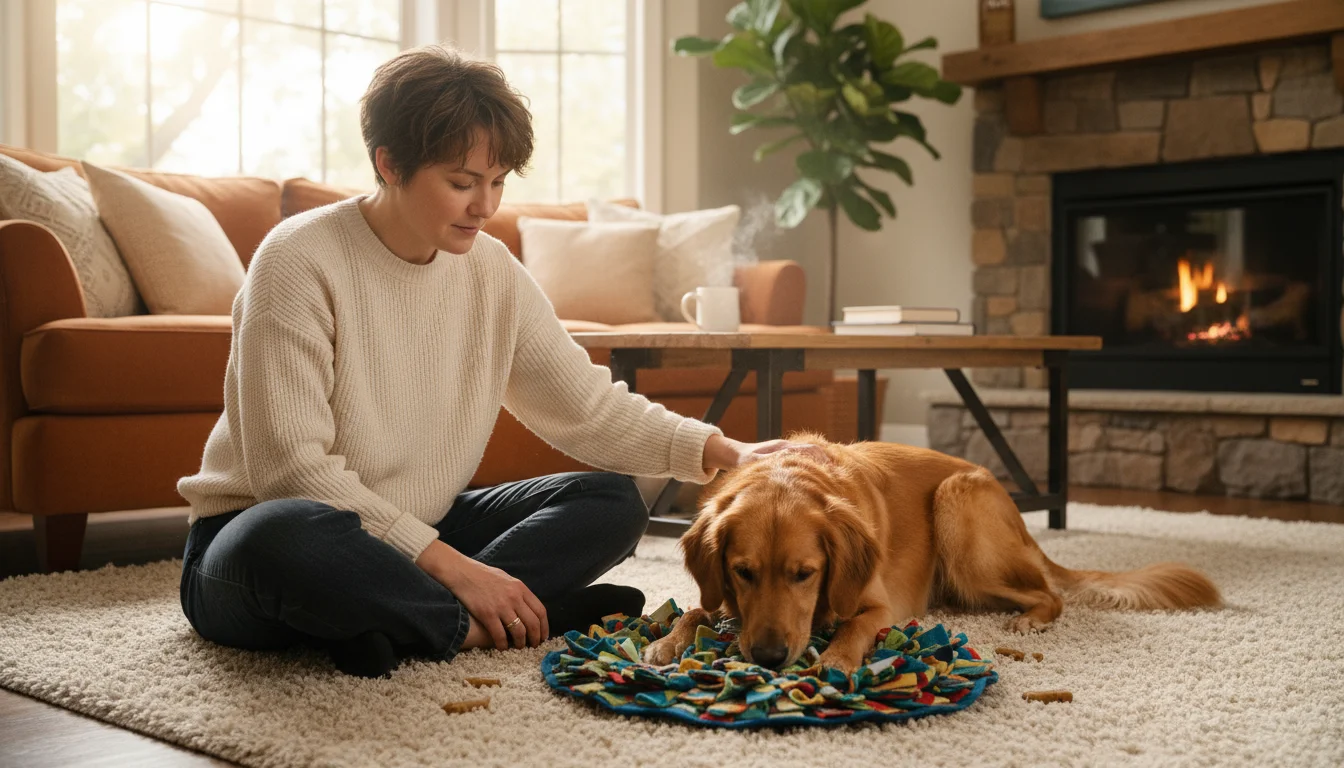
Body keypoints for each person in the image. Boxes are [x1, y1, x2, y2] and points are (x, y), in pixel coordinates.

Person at [175, 44, 825, 678]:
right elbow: (291, 471)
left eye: (496, 182)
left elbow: (587, 406)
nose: (484, 206)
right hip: (256, 543)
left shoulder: (491, 271)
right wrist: (457, 569)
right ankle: (480, 622)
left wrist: (726, 451)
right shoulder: (297, 259)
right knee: (284, 534)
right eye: (461, 183)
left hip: (415, 531)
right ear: (390, 164)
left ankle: (398, 626)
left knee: (610, 502)